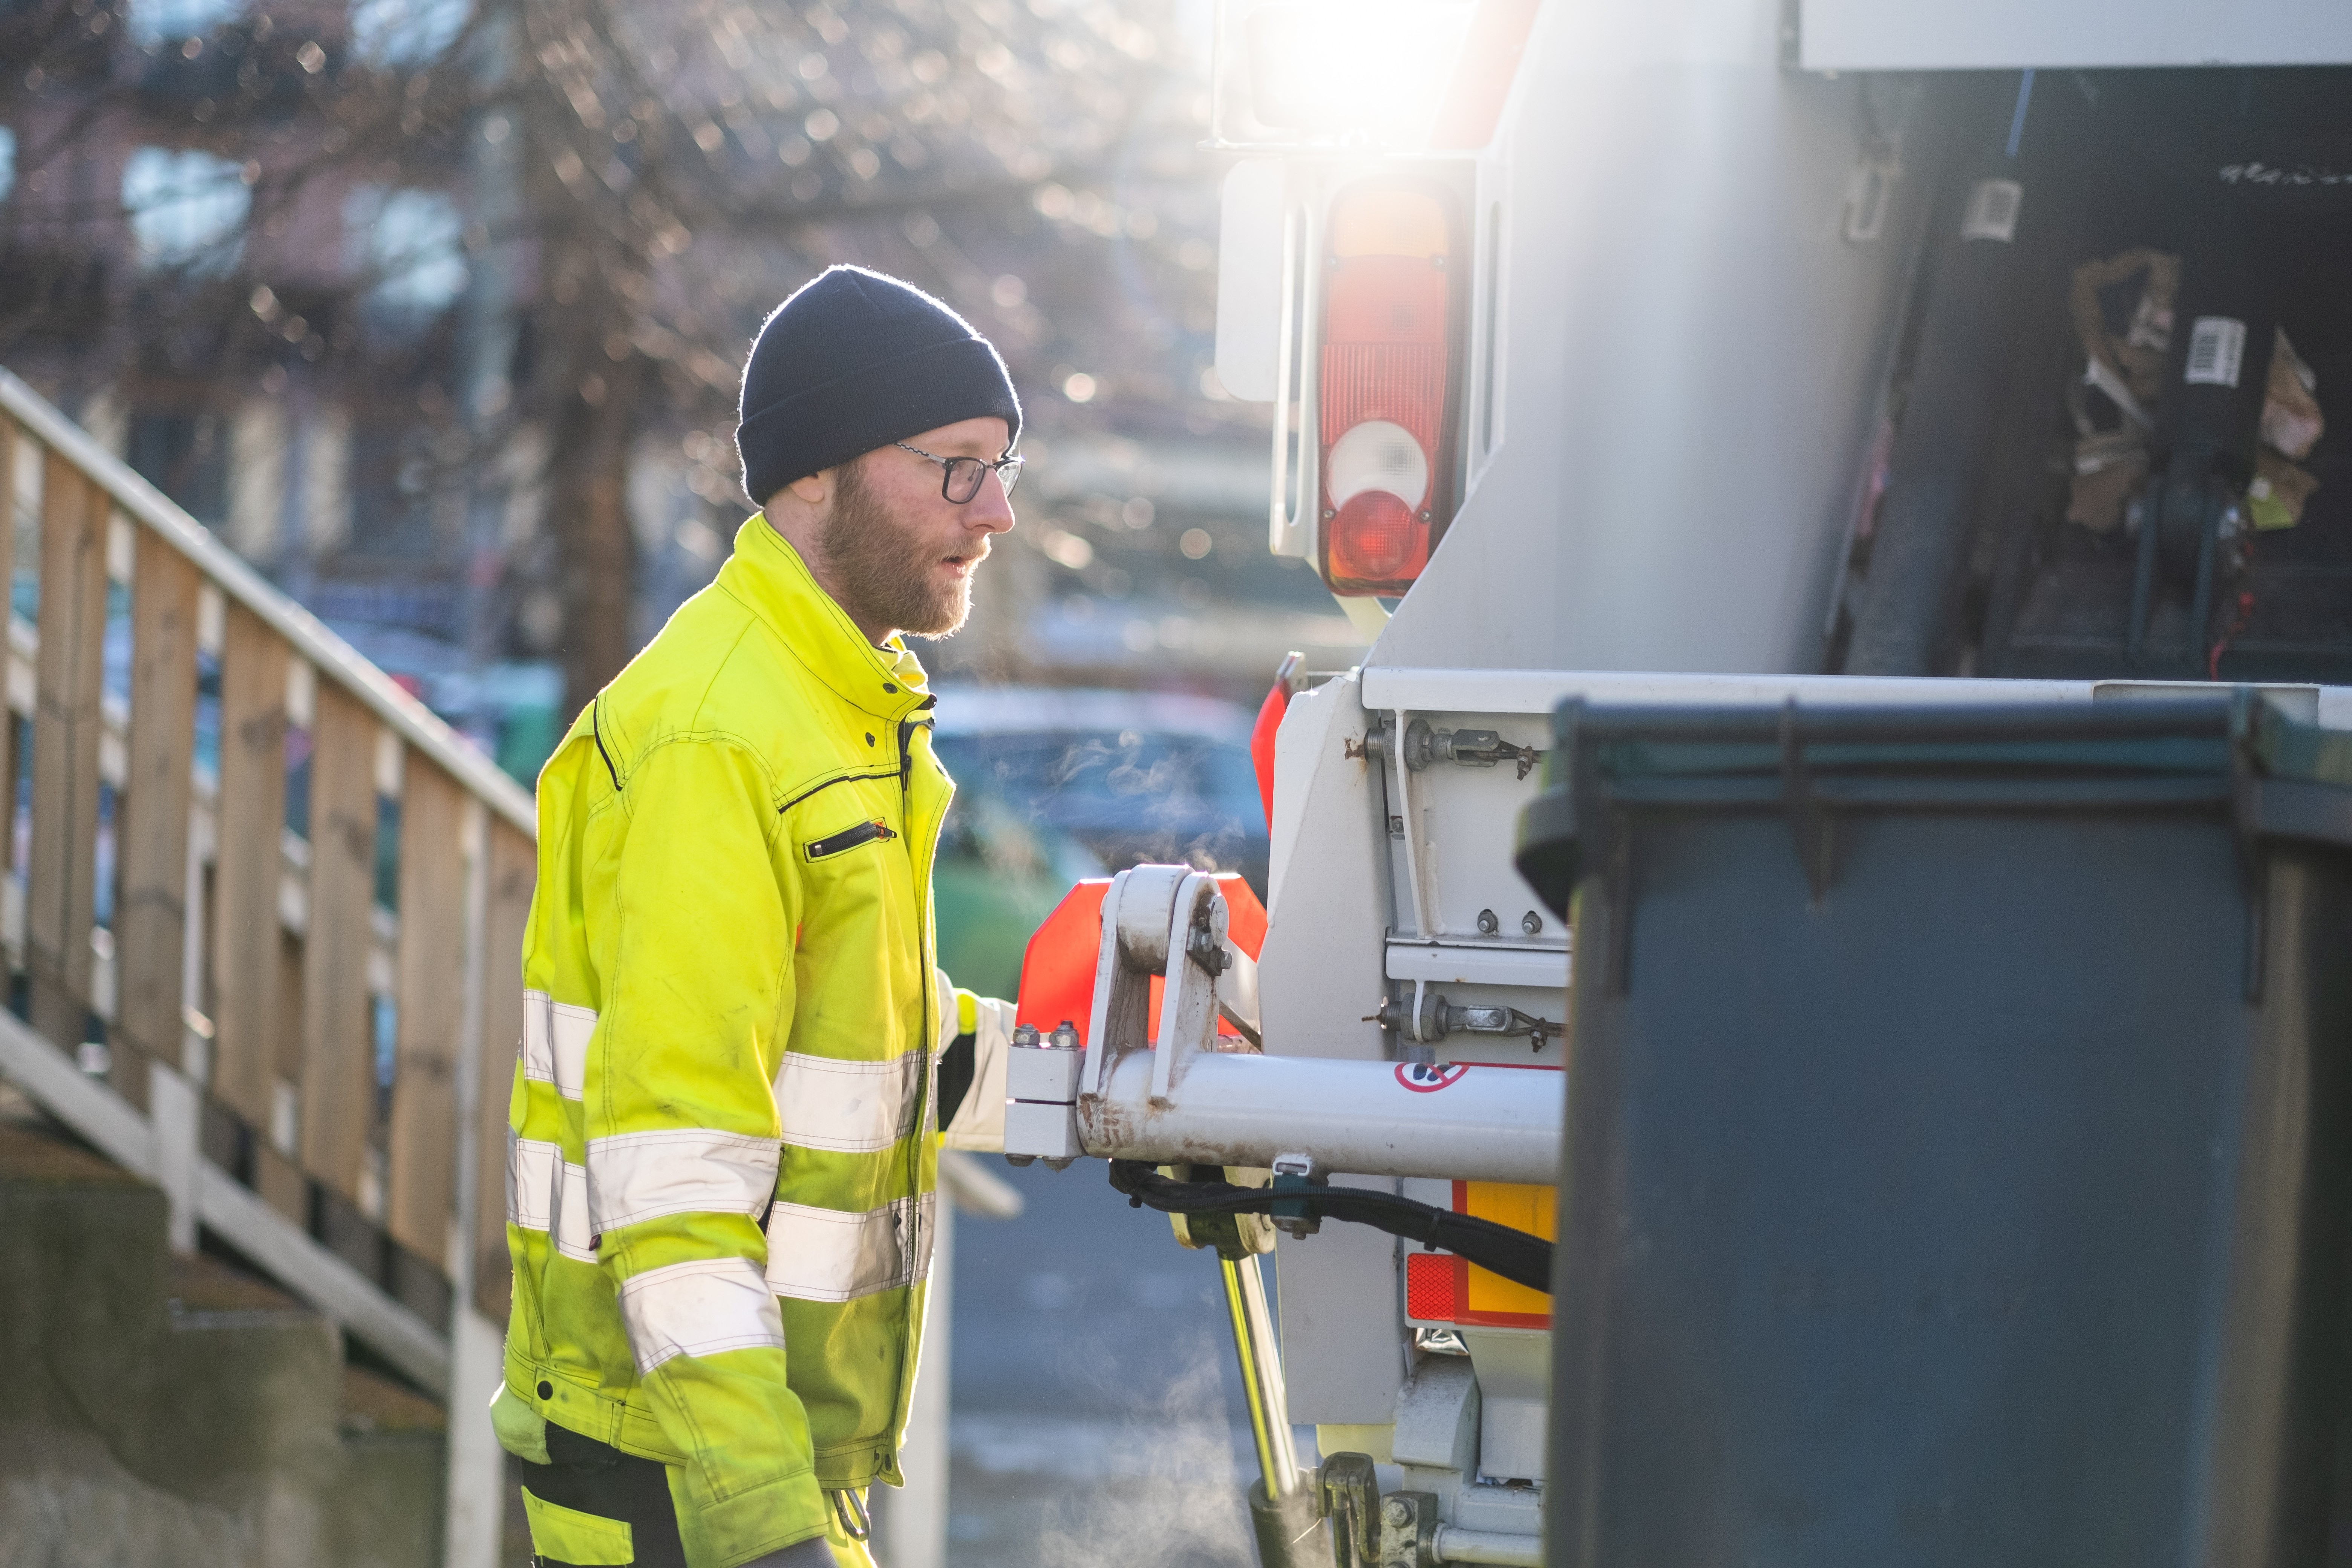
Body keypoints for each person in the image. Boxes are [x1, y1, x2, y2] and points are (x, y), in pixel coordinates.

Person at [490, 265, 1021, 1568]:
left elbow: (843, 1052)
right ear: (811, 475)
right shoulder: (717, 738)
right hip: (690, 1479)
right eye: (956, 466)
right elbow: (670, 1172)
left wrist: (1108, 1075)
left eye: (1004, 466)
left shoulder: (830, 706)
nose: (997, 511)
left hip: (742, 1462)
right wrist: (765, 1526)